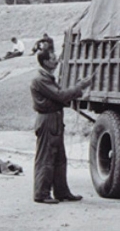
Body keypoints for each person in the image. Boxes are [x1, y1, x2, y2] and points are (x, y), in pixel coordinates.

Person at [31, 49, 94, 204]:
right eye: (53, 58)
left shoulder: (46, 78)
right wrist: (80, 86)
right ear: (45, 62)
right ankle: (41, 194)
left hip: (54, 119)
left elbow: (60, 97)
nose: (56, 60)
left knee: (59, 157)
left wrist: (76, 90)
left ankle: (62, 192)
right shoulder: (40, 80)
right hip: (48, 121)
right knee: (46, 157)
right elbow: (60, 96)